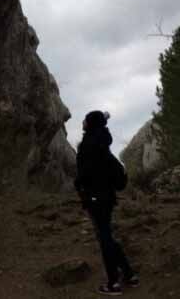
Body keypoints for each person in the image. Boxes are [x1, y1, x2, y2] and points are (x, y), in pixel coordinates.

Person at [75, 110, 139, 296]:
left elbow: (84, 174)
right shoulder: (103, 143)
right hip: (108, 198)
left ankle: (113, 283)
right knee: (107, 237)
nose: (83, 122)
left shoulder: (88, 145)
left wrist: (80, 187)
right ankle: (129, 275)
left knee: (105, 240)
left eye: (85, 119)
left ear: (90, 123)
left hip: (95, 199)